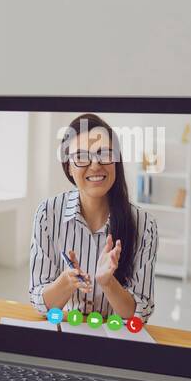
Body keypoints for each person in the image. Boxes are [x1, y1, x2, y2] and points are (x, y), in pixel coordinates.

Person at [28, 113, 157, 322]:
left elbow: (138, 315)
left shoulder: (144, 225)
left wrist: (108, 282)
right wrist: (66, 282)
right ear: (68, 166)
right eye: (80, 156)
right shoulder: (47, 214)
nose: (95, 165)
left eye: (104, 153)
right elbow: (40, 303)